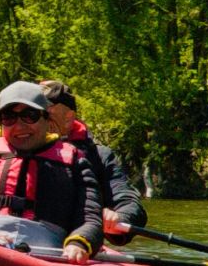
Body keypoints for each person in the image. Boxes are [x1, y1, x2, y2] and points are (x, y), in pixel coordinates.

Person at [0, 81, 102, 260]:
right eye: (9, 117)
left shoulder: (76, 160)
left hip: (48, 256)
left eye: (30, 115)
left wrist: (79, 242)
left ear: (47, 119)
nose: (20, 125)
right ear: (1, 123)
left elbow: (90, 216)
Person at [38, 79, 147, 245]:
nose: (36, 120)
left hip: (77, 243)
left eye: (46, 113)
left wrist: (118, 217)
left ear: (69, 118)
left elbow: (129, 202)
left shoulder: (99, 157)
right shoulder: (13, 149)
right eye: (31, 112)